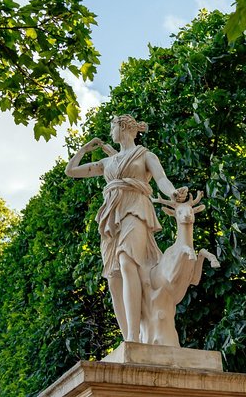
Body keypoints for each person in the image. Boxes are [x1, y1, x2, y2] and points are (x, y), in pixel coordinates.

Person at [65, 114, 187, 342]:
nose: (110, 132)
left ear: (123, 128)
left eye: (112, 127)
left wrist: (172, 193)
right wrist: (84, 149)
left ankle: (133, 336)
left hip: (136, 208)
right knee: (114, 278)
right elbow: (71, 171)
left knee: (127, 261)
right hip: (112, 215)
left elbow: (161, 179)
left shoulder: (145, 155)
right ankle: (128, 338)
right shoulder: (108, 162)